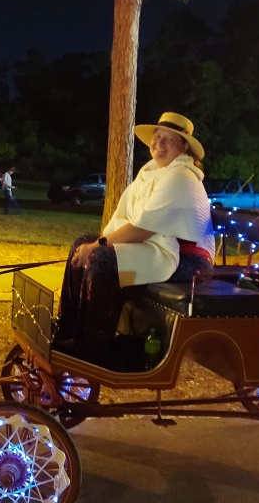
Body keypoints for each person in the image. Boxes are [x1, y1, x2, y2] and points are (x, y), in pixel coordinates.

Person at [55, 112, 214, 367]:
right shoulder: (151, 173)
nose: (159, 143)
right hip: (159, 244)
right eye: (158, 136)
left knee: (99, 258)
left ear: (184, 147)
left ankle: (93, 345)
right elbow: (130, 219)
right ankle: (70, 328)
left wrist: (98, 246)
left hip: (188, 261)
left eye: (169, 140)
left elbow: (142, 228)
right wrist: (92, 243)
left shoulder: (180, 177)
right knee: (80, 244)